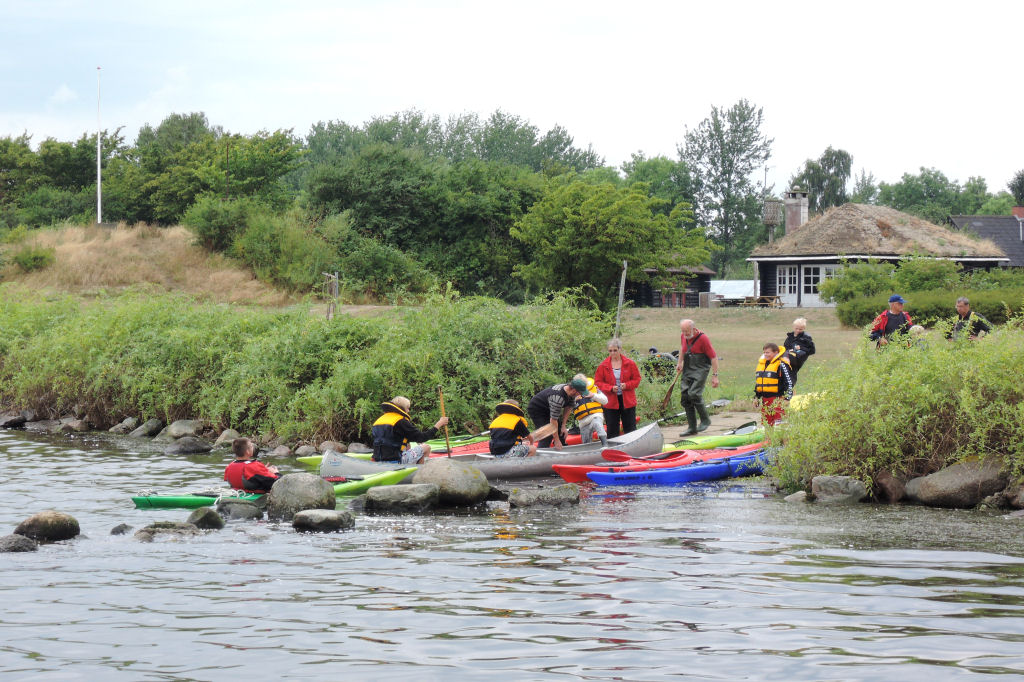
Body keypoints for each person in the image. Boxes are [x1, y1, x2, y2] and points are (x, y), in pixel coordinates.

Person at [371, 396, 449, 464]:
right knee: (426, 447)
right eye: (407, 408)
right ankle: (419, 473)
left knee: (408, 445)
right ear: (401, 408)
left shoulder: (379, 421)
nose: (408, 411)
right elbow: (422, 437)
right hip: (396, 461)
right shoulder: (401, 421)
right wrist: (439, 424)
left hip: (378, 460)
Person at [675, 319, 720, 435]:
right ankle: (692, 428)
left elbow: (714, 358)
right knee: (685, 396)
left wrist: (715, 376)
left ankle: (705, 419)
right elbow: (682, 349)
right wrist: (679, 363)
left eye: (687, 331)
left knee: (694, 393)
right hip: (688, 368)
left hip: (701, 368)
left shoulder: (703, 338)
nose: (685, 334)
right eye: (683, 331)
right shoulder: (683, 336)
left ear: (694, 329)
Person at [594, 338, 642, 438]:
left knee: (630, 428)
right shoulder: (603, 365)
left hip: (627, 400)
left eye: (615, 350)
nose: (612, 353)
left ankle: (633, 448)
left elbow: (637, 379)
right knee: (612, 429)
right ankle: (613, 450)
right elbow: (598, 382)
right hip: (610, 401)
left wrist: (627, 385)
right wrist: (610, 388)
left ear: (620, 350)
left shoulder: (630, 363)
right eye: (610, 351)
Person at [527, 379, 585, 449]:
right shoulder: (558, 398)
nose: (580, 395)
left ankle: (562, 450)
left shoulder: (571, 393)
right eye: (580, 393)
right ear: (574, 390)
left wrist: (563, 426)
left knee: (561, 431)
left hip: (548, 408)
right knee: (547, 434)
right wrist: (556, 440)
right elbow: (553, 421)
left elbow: (569, 407)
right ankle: (541, 454)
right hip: (537, 408)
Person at [754, 342, 793, 427]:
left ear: (776, 352)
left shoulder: (781, 364)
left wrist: (787, 398)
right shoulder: (762, 365)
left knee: (780, 424)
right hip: (765, 400)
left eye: (768, 352)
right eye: (764, 352)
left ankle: (782, 440)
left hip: (778, 399)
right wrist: (756, 397)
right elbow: (759, 383)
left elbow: (789, 383)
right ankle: (768, 440)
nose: (765, 354)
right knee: (766, 424)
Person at [571, 374, 609, 446]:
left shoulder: (594, 389)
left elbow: (605, 401)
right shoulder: (572, 393)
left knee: (597, 423)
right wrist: (574, 400)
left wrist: (594, 395)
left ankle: (605, 444)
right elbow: (568, 409)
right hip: (583, 420)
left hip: (595, 414)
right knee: (586, 441)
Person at [783, 317, 815, 385]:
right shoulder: (790, 337)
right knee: (783, 372)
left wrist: (801, 348)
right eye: (796, 328)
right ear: (793, 327)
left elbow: (812, 350)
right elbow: (785, 347)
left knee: (791, 373)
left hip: (797, 359)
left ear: (804, 329)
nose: (798, 330)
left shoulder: (806, 338)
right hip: (787, 356)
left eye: (800, 329)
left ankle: (789, 389)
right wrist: (789, 350)